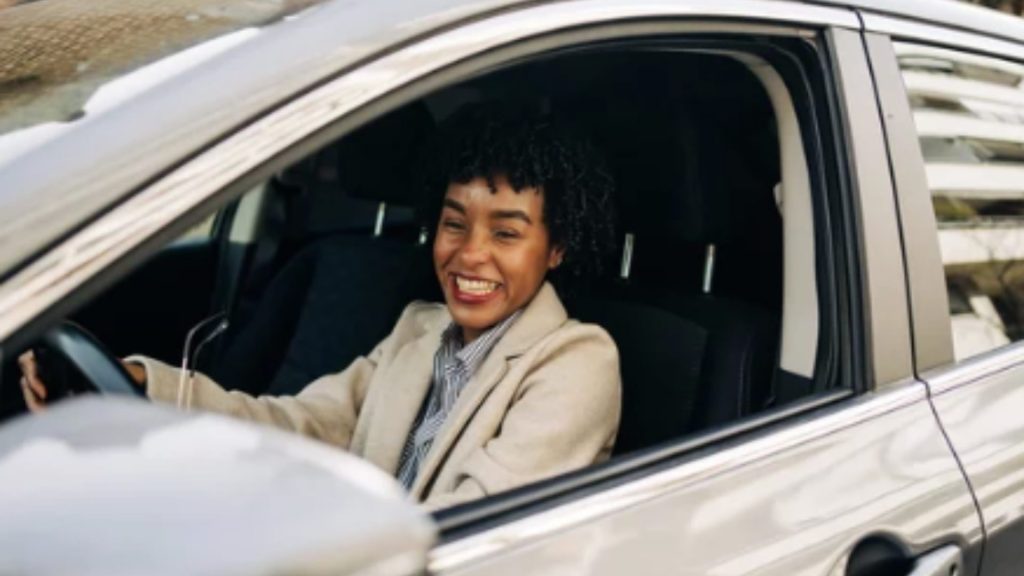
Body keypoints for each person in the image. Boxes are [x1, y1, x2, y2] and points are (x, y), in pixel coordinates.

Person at [19, 106, 622, 509]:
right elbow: (302, 428)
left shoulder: (576, 361)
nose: (470, 255)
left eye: (507, 234)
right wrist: (142, 387)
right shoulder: (419, 328)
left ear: (557, 248)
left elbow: (477, 532)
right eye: (454, 224)